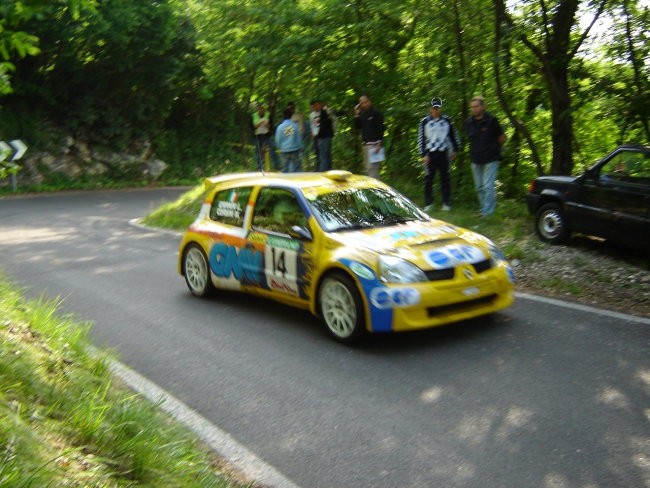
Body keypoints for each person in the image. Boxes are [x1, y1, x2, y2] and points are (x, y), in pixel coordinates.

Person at [464, 96, 506, 216]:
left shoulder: (492, 120)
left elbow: (502, 137)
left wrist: (494, 148)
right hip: (476, 158)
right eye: (472, 107)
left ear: (483, 106)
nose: (475, 109)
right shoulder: (468, 122)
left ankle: (488, 212)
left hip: (491, 158)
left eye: (477, 106)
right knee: (479, 187)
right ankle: (483, 209)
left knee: (488, 186)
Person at [418, 97, 461, 212]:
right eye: (434, 108)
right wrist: (423, 154)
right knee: (428, 179)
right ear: (430, 108)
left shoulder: (447, 121)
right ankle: (428, 203)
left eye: (438, 108)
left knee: (445, 179)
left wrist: (455, 150)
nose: (436, 110)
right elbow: (421, 139)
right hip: (430, 154)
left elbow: (453, 136)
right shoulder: (424, 122)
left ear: (441, 108)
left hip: (444, 154)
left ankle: (446, 203)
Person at [354, 94, 384, 180]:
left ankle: (377, 190)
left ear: (369, 102)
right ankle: (376, 189)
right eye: (362, 103)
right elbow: (357, 127)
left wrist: (379, 142)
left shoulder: (376, 113)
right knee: (368, 169)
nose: (364, 104)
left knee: (373, 169)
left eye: (366, 102)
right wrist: (356, 115)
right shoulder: (362, 114)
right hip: (366, 145)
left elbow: (380, 128)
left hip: (375, 145)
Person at [310, 99, 336, 172]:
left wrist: (326, 109)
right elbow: (313, 125)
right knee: (320, 154)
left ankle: (325, 171)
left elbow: (332, 118)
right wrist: (313, 133)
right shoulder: (312, 115)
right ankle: (323, 170)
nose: (314, 108)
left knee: (326, 154)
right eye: (313, 107)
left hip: (326, 136)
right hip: (317, 136)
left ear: (319, 104)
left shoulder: (325, 112)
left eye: (316, 105)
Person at [275, 108, 302, 173]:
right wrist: (300, 146)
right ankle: (297, 181)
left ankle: (285, 182)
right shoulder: (295, 125)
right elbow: (298, 138)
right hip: (295, 149)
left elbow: (278, 139)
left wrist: (280, 147)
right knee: (297, 168)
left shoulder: (280, 127)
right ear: (291, 116)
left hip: (284, 150)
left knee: (285, 168)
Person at [252, 103, 272, 170]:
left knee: (266, 151)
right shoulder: (254, 116)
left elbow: (271, 126)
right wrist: (259, 124)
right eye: (260, 108)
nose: (261, 110)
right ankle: (259, 167)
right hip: (257, 136)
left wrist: (267, 125)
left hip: (266, 136)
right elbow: (252, 127)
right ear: (257, 109)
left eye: (263, 108)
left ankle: (268, 166)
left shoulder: (268, 115)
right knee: (258, 152)